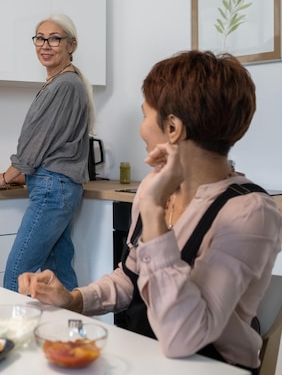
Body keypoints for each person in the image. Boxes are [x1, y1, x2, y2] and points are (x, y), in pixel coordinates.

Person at [19, 50, 282, 373]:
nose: (141, 128)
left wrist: (155, 209)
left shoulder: (249, 212)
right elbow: (130, 278)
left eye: (145, 115)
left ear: (172, 128)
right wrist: (72, 299)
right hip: (145, 356)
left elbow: (182, 336)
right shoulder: (155, 187)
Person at [0, 13, 95, 292]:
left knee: (17, 276)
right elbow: (52, 144)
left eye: (55, 38)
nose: (46, 44)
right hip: (57, 185)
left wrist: (6, 177)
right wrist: (26, 176)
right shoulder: (63, 82)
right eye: (40, 38)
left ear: (72, 45)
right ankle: (69, 333)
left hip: (52, 189)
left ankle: (10, 334)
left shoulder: (65, 84)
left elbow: (37, 142)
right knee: (58, 275)